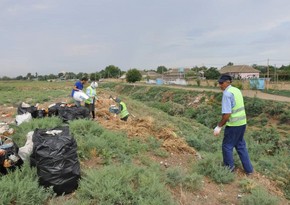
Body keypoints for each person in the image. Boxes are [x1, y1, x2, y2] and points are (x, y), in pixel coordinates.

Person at [213, 74, 253, 175]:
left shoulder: (227, 94)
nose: (220, 85)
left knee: (227, 146)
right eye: (219, 83)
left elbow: (227, 114)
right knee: (240, 145)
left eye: (221, 83)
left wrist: (219, 126)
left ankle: (229, 170)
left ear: (228, 82)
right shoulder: (236, 90)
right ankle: (249, 170)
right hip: (242, 123)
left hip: (233, 125)